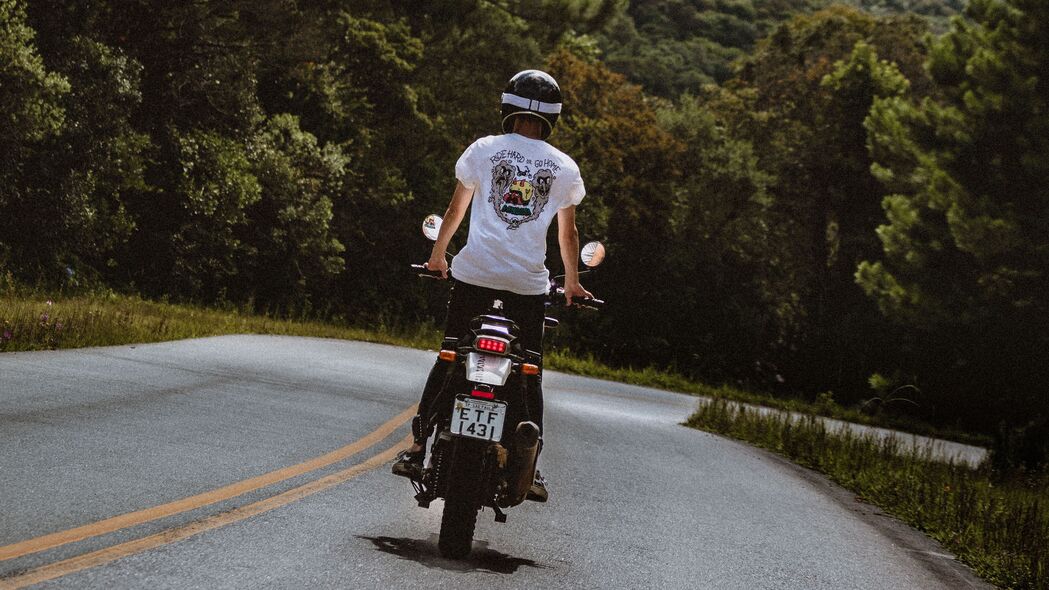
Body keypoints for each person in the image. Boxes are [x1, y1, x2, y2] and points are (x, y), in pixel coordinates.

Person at [393, 70, 591, 498]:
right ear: (553, 116)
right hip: (527, 287)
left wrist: (437, 255)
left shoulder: (484, 150)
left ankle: (416, 446)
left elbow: (455, 210)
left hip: (474, 276)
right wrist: (572, 284)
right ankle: (530, 466)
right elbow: (567, 236)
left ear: (507, 106)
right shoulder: (563, 167)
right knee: (530, 372)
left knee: (449, 357)